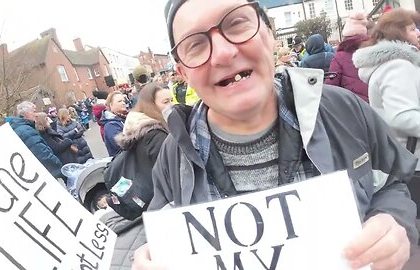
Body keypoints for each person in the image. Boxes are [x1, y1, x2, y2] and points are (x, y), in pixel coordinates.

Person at [132, 1, 419, 269]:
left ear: (269, 34)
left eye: (236, 24)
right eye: (194, 44)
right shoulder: (174, 155)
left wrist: (395, 220)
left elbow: (393, 185)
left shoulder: (342, 110)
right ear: (183, 73)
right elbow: (164, 235)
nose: (223, 53)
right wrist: (152, 254)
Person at [353, 8, 420, 218]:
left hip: (402, 158)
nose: (418, 32)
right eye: (412, 28)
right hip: (413, 159)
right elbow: (401, 116)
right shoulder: (399, 66)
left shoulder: (391, 64)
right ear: (397, 32)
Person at [100, 83, 172, 269]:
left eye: (172, 100)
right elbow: (171, 175)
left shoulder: (140, 127)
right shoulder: (157, 135)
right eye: (166, 101)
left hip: (147, 198)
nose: (171, 105)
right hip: (158, 202)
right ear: (151, 105)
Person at [7, 101, 62, 178]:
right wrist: (59, 166)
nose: (36, 114)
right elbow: (42, 153)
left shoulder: (22, 128)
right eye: (34, 111)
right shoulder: (26, 131)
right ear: (27, 113)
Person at [325, 12, 369, 102]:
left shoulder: (339, 57)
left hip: (354, 106)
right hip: (378, 106)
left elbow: (331, 88)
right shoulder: (374, 50)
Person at [100, 91, 128, 156]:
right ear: (111, 105)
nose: (123, 103)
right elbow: (122, 146)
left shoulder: (125, 118)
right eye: (119, 101)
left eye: (123, 101)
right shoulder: (110, 125)